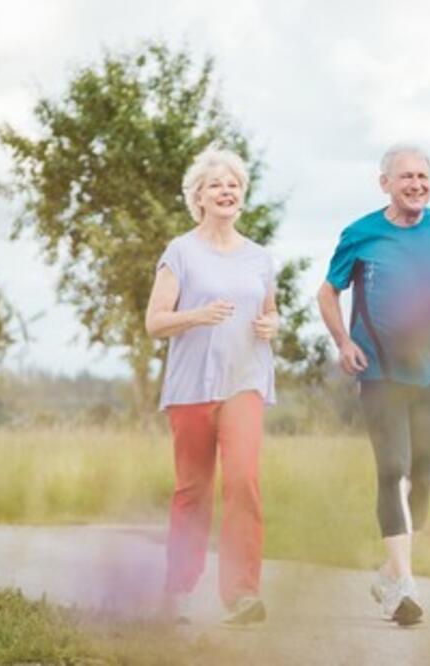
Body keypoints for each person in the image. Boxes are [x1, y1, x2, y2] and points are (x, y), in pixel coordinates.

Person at [317, 144, 430, 625]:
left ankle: (389, 570)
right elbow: (328, 291)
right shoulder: (361, 234)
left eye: (422, 177)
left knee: (423, 480)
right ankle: (404, 586)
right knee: (393, 469)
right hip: (379, 372)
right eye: (405, 176)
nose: (415, 185)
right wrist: (342, 341)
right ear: (384, 182)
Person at [145, 147, 278, 626]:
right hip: (191, 387)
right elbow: (155, 322)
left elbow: (269, 312)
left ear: (242, 196)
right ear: (198, 196)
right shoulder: (181, 252)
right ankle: (177, 591)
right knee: (193, 490)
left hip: (245, 381)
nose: (226, 191)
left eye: (234, 185)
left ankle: (242, 594)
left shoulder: (259, 257)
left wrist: (271, 326)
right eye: (216, 184)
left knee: (243, 481)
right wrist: (196, 316)